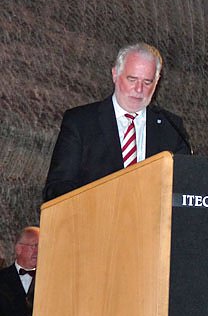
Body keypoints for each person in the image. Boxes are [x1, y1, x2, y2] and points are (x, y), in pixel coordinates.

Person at [43, 42, 191, 201]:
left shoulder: (171, 128)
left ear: (157, 82)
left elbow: (185, 189)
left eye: (147, 82)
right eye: (132, 79)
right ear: (115, 74)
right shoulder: (81, 122)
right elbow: (56, 189)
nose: (139, 89)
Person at [0, 227, 39, 316]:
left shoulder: (54, 280)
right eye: (35, 246)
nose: (39, 251)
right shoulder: (2, 278)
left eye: (42, 247)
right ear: (18, 249)